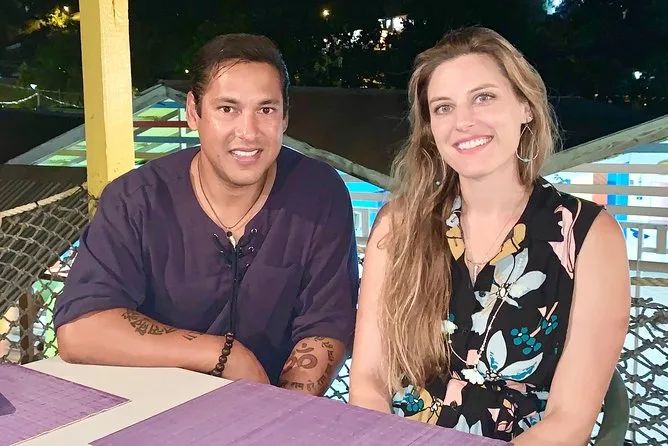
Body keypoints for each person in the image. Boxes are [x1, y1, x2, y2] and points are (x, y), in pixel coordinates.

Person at [349, 27, 630, 444]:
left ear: (526, 107)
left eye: (483, 98)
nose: (463, 122)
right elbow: (369, 381)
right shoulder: (399, 224)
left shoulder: (589, 235)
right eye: (444, 107)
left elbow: (569, 423)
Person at [54, 33, 359, 396]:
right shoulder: (136, 199)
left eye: (266, 110)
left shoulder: (318, 192)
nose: (248, 133)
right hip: (152, 405)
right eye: (227, 109)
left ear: (285, 117)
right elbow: (80, 328)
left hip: (273, 404)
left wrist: (279, 412)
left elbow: (326, 324)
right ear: (193, 112)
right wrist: (221, 354)